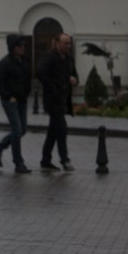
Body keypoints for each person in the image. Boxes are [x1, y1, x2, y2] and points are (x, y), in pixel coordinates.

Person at [0, 34, 33, 174]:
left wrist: (26, 92)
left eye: (23, 45)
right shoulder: (5, 63)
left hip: (22, 100)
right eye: (19, 46)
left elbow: (27, 78)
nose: (22, 48)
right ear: (13, 48)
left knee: (22, 130)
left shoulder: (25, 61)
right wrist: (8, 96)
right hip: (10, 101)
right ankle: (18, 163)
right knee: (17, 130)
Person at [35, 33, 76, 172]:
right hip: (53, 100)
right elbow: (40, 72)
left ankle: (45, 160)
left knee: (53, 132)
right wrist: (52, 87)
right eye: (65, 43)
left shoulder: (69, 59)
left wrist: (74, 79)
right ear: (57, 43)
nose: (68, 46)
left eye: (69, 43)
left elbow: (74, 75)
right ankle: (65, 160)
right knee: (62, 129)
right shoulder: (49, 57)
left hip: (63, 99)